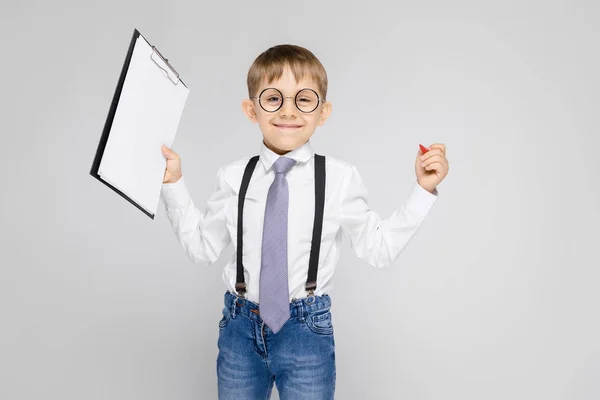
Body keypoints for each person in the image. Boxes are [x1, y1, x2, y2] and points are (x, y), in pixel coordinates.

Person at [160, 44, 449, 399]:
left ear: (323, 112)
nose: (288, 111)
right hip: (239, 328)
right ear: (251, 109)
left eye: (304, 99)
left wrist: (422, 190)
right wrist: (172, 184)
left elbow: (379, 250)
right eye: (273, 99)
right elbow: (202, 247)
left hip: (306, 331)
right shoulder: (234, 177)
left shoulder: (340, 178)